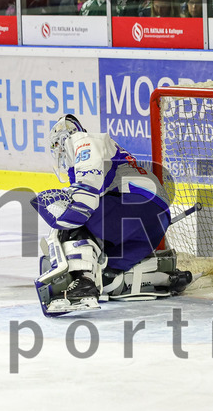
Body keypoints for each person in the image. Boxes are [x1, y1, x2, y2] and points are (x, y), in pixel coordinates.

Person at [32, 115, 192, 316]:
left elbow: (84, 200)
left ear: (64, 139)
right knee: (107, 277)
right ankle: (165, 277)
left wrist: (62, 214)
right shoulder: (104, 151)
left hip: (133, 206)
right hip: (154, 223)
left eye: (57, 146)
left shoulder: (83, 141)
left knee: (71, 222)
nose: (59, 152)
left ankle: (84, 282)